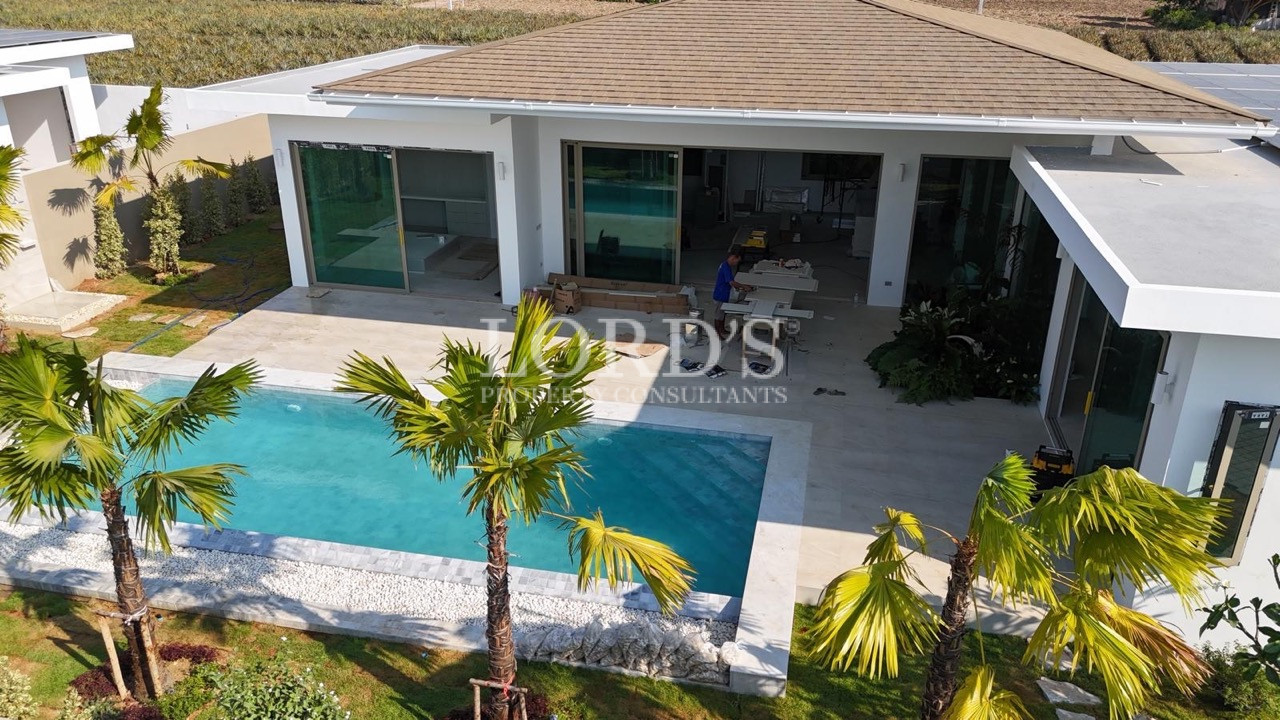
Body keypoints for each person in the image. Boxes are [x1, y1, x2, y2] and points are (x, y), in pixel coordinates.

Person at [712, 245, 754, 340]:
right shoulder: (725, 267)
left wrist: (742, 286)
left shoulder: (725, 265)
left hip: (724, 293)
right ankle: (717, 333)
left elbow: (730, 282)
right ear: (734, 257)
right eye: (737, 261)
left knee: (723, 314)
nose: (736, 263)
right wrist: (744, 287)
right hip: (720, 295)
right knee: (718, 316)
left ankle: (722, 330)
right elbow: (731, 282)